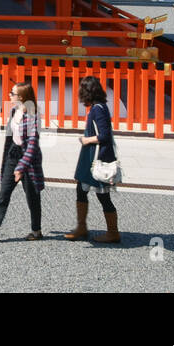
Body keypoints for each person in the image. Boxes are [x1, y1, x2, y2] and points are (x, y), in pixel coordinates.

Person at [0, 81, 44, 241]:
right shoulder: (15, 110)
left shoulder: (33, 115)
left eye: (12, 93)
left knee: (32, 197)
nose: (9, 95)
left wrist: (21, 167)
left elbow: (32, 146)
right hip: (13, 154)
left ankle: (36, 231)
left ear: (21, 97)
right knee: (4, 191)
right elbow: (10, 135)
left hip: (28, 161)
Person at [65, 75, 121, 243]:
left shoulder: (97, 109)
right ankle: (81, 227)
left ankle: (113, 232)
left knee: (103, 196)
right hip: (92, 155)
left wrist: (86, 140)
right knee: (81, 190)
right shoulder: (100, 107)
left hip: (97, 157)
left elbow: (104, 135)